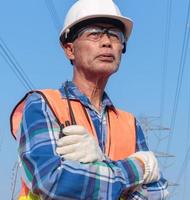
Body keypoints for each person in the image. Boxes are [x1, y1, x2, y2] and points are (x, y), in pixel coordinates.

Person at [10, 0, 169, 199]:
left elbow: (158, 193)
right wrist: (137, 168)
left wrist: (102, 163)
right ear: (69, 49)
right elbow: (51, 182)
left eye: (115, 35)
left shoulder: (129, 124)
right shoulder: (43, 105)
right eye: (94, 33)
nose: (107, 42)